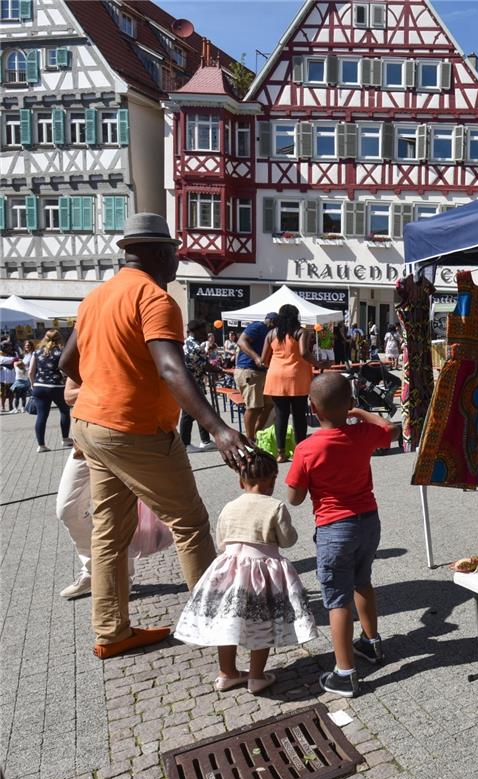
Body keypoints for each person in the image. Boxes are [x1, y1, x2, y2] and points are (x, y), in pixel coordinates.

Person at [60, 212, 252, 659]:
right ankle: (215, 625)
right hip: (136, 431)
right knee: (189, 523)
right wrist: (218, 428)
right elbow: (170, 367)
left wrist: (105, 385)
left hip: (91, 427)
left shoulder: (96, 298)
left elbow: (69, 363)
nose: (176, 262)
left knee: (110, 532)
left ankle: (111, 632)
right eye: (173, 254)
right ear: (157, 253)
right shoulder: (154, 298)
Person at [286, 373, 398, 698]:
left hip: (335, 529)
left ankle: (345, 673)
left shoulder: (307, 448)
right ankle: (371, 643)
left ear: (312, 408)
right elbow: (390, 430)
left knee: (336, 600)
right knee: (363, 582)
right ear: (349, 404)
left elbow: (294, 497)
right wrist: (360, 412)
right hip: (368, 522)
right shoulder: (362, 433)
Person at [174, 449, 317, 695]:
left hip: (229, 570)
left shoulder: (230, 506)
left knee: (228, 622)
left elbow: (221, 540)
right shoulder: (275, 506)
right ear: (273, 480)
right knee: (262, 622)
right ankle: (256, 676)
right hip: (262, 573)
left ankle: (227, 673)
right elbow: (287, 539)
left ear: (241, 481)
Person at [56, 377, 137, 599]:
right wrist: (108, 388)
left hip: (123, 437)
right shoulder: (84, 346)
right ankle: (93, 570)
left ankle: (120, 576)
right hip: (83, 442)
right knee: (67, 509)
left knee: (114, 513)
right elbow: (69, 395)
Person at [262, 304, 319, 461]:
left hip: (275, 377)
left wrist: (276, 366)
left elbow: (263, 359)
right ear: (296, 316)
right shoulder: (301, 332)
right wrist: (319, 364)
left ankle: (281, 453)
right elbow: (303, 352)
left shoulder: (272, 333)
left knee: (281, 415)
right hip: (297, 377)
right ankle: (300, 451)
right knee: (299, 415)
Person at [235, 312, 277, 441]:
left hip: (263, 372)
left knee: (269, 404)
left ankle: (257, 433)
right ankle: (249, 439)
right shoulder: (257, 327)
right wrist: (256, 357)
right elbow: (241, 341)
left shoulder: (271, 332)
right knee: (253, 407)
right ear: (270, 321)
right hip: (249, 370)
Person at [30, 328, 71, 453]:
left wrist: (33, 385)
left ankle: (41, 445)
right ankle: (65, 438)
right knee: (64, 411)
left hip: (39, 386)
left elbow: (31, 371)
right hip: (57, 387)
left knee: (42, 416)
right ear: (59, 338)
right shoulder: (61, 352)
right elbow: (64, 370)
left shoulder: (36, 352)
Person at [180, 319, 217, 453]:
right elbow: (205, 365)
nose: (206, 333)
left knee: (200, 410)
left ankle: (205, 440)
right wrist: (220, 370)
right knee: (188, 413)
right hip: (193, 383)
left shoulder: (187, 343)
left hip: (191, 382)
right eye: (204, 330)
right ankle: (185, 443)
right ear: (197, 331)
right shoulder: (195, 347)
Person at [10, 345, 30, 412]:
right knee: (23, 397)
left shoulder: (17, 369)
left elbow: (15, 363)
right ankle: (23, 408)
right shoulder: (26, 370)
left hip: (18, 384)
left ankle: (16, 408)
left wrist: (17, 359)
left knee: (17, 397)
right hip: (25, 384)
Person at [0, 339, 15, 413]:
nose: (9, 348)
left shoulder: (14, 354)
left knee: (11, 392)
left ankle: (11, 406)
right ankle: (2, 406)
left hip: (11, 375)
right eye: (7, 346)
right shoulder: (0, 354)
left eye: (9, 346)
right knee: (3, 393)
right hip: (3, 377)